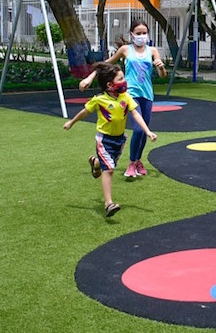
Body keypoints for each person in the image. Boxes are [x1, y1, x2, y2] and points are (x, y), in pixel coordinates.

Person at [63, 62, 156, 217]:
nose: (124, 81)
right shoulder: (99, 99)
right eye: (120, 78)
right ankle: (108, 204)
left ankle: (95, 162)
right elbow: (84, 112)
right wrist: (71, 122)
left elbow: (135, 114)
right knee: (110, 170)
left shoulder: (126, 97)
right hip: (104, 139)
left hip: (119, 140)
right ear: (109, 84)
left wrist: (147, 131)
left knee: (108, 164)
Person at [78, 20, 167, 179]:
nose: (141, 36)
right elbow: (105, 65)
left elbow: (162, 75)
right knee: (139, 129)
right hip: (129, 93)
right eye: (138, 33)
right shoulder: (125, 50)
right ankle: (132, 163)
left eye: (144, 33)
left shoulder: (153, 50)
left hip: (147, 94)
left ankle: (138, 161)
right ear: (131, 34)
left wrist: (161, 67)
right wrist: (89, 78)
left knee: (143, 131)